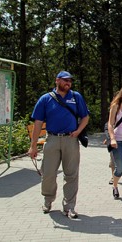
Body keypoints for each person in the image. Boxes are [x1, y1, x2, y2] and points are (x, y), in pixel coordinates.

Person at [27, 71, 89, 219]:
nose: (68, 83)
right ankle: (48, 201)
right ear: (57, 81)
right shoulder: (46, 99)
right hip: (52, 139)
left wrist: (78, 130)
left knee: (71, 174)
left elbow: (85, 116)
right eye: (65, 80)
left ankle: (69, 207)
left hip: (71, 140)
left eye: (70, 81)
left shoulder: (76, 97)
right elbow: (37, 123)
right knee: (48, 174)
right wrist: (33, 145)